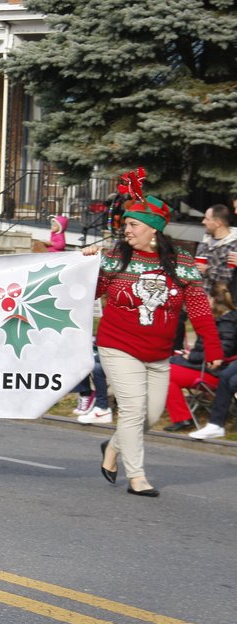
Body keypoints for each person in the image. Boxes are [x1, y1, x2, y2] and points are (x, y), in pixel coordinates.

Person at [83, 194, 222, 497]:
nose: (127, 230)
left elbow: (198, 308)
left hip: (159, 354)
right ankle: (137, 477)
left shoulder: (180, 262)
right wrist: (87, 265)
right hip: (118, 346)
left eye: (133, 224)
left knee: (152, 415)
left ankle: (113, 446)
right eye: (126, 224)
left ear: (152, 229)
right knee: (133, 409)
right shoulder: (115, 257)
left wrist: (213, 348)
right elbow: (88, 294)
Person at [163, 282, 237, 432]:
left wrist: (192, 355)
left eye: (207, 297)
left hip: (214, 372)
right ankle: (182, 418)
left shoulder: (227, 323)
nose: (204, 301)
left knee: (164, 373)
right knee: (163, 369)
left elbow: (220, 354)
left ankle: (182, 418)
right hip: (203, 366)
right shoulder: (216, 320)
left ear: (215, 300)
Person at [194, 204, 237, 293]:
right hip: (198, 299)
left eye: (207, 219)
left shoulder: (233, 245)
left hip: (218, 303)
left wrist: (207, 269)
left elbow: (226, 279)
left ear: (218, 223)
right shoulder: (205, 241)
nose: (203, 222)